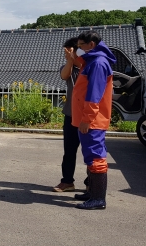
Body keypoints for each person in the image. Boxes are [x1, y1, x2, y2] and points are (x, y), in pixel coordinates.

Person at [72, 30, 116, 210]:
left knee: (96, 156)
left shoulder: (98, 63)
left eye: (81, 45)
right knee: (90, 156)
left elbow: (94, 95)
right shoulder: (92, 61)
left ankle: (98, 198)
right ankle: (92, 192)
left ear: (91, 45)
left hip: (92, 120)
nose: (79, 49)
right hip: (90, 119)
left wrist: (87, 119)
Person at [53, 37, 85, 193]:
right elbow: (64, 76)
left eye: (68, 51)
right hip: (71, 115)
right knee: (69, 151)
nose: (65, 54)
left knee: (89, 151)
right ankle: (67, 182)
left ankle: (91, 183)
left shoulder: (89, 67)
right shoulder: (68, 67)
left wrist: (75, 59)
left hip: (87, 116)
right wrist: (70, 61)